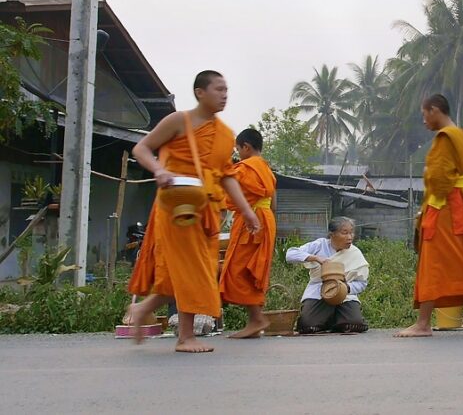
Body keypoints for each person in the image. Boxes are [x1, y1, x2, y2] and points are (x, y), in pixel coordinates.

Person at [126, 71, 259, 353]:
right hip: (175, 205)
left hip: (206, 209)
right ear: (200, 92)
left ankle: (144, 310)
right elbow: (142, 148)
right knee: (191, 268)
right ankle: (185, 336)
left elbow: (226, 176)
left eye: (227, 90)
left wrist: (246, 211)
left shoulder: (224, 134)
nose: (225, 95)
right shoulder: (179, 121)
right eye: (218, 89)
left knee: (191, 269)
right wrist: (159, 169)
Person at [397, 94, 463, 337]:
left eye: (424, 114)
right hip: (458, 204)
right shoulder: (461, 136)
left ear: (434, 110)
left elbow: (440, 179)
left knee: (433, 261)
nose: (424, 121)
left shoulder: (446, 137)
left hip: (444, 206)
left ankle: (423, 324)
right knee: (460, 263)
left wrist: (428, 201)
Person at [220, 128, 278, 339]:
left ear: (246, 147)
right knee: (251, 268)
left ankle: (256, 319)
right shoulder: (266, 169)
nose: (238, 153)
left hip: (253, 220)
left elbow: (228, 189)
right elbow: (272, 201)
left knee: (241, 269)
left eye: (238, 149)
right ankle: (255, 320)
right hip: (265, 217)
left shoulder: (246, 167)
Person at [286, 218, 370, 334]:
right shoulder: (319, 245)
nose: (350, 237)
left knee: (354, 324)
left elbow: (361, 283)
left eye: (351, 232)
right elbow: (290, 254)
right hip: (318, 291)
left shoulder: (355, 253)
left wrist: (345, 288)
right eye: (344, 233)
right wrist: (315, 258)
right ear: (332, 234)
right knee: (307, 326)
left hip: (345, 294)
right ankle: (329, 320)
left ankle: (336, 320)